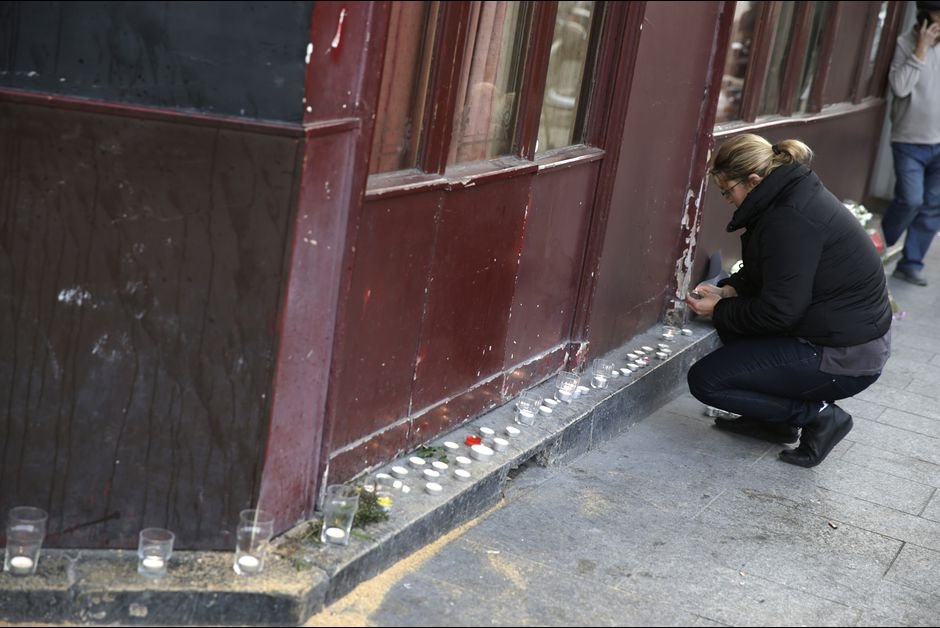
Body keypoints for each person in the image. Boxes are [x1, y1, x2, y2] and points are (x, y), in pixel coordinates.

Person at [685, 134, 892, 468]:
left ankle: (818, 415)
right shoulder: (787, 198)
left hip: (846, 355)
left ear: (753, 181)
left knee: (707, 381)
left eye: (727, 190)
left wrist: (721, 308)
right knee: (737, 333)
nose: (726, 198)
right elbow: (772, 274)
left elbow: (779, 311)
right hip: (834, 333)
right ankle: (774, 421)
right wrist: (728, 290)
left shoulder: (791, 217)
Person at [881, 1, 940, 286]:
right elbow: (900, 87)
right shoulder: (906, 43)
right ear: (926, 16)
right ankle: (874, 254)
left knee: (931, 206)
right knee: (910, 200)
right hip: (909, 141)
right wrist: (921, 49)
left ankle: (911, 263)